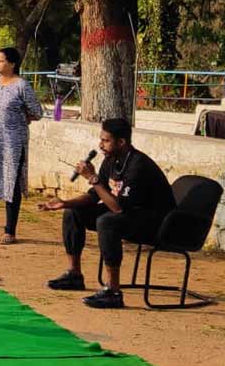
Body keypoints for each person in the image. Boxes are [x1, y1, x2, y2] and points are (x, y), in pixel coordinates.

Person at [39, 118, 175, 309]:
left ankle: (113, 291)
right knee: (73, 213)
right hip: (130, 213)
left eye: (106, 140)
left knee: (107, 221)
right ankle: (74, 274)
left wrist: (92, 178)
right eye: (101, 140)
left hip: (155, 223)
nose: (100, 145)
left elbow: (118, 208)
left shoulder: (138, 165)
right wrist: (65, 203)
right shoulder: (111, 160)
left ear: (121, 142)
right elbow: (95, 195)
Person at [0, 47, 43, 244]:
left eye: (1, 61)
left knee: (11, 182)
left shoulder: (22, 86)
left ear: (12, 64)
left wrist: (22, 118)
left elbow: (37, 112)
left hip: (12, 142)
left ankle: (10, 231)